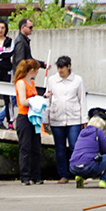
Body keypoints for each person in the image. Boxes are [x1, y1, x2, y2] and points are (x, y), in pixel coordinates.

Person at [44, 55, 87, 183]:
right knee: (60, 148)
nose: (60, 70)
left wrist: (84, 119)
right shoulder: (52, 80)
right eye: (58, 67)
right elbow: (48, 100)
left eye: (62, 67)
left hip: (74, 118)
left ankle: (79, 174)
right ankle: (63, 174)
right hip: (57, 118)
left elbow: (82, 100)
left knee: (75, 146)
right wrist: (45, 119)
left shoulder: (77, 80)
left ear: (69, 67)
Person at [14, 58, 45, 185]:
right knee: (25, 147)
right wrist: (35, 101)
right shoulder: (21, 83)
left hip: (34, 116)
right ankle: (25, 175)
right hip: (24, 116)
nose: (37, 73)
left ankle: (36, 174)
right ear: (31, 70)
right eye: (36, 70)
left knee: (36, 147)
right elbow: (22, 101)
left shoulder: (32, 83)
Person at [68, 117, 106, 188]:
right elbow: (105, 150)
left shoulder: (82, 132)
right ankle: (103, 180)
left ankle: (79, 176)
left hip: (73, 167)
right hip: (89, 166)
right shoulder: (98, 131)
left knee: (86, 161)